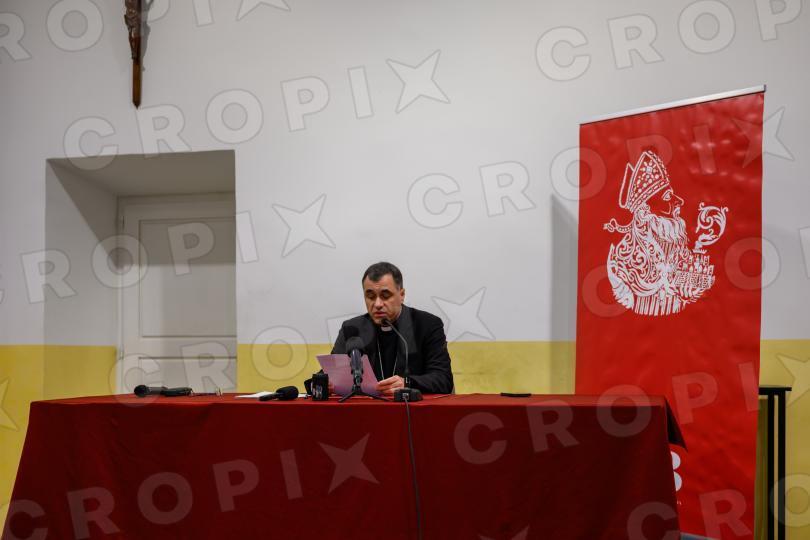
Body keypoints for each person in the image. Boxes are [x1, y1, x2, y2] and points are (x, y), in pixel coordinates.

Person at [331, 262, 454, 396]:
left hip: (409, 407)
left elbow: (443, 379)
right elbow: (330, 374)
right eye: (370, 296)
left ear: (402, 295)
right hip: (365, 407)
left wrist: (408, 383)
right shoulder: (352, 329)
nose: (377, 304)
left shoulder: (427, 325)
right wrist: (325, 383)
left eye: (385, 296)